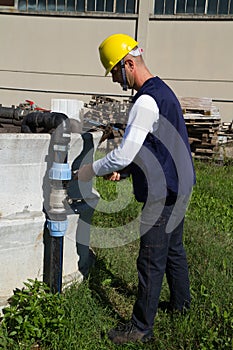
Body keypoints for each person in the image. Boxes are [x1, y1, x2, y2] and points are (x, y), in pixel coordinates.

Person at [74, 33, 196, 345]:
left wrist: (93, 168)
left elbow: (127, 151)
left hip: (164, 190)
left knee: (151, 258)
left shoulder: (146, 100)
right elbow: (153, 146)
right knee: (173, 251)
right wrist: (126, 172)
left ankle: (141, 329)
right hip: (180, 183)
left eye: (115, 72)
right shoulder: (161, 91)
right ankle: (183, 306)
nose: (115, 80)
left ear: (129, 63)